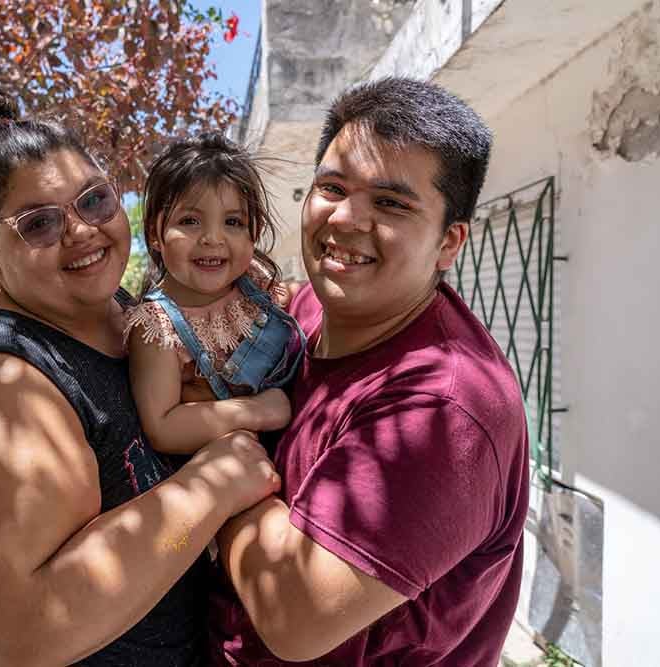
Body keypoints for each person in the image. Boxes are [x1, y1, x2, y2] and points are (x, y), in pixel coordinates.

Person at [0, 87, 283, 667]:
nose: (81, 231)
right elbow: (23, 632)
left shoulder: (119, 312)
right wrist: (217, 482)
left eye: (95, 201)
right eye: (39, 224)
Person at [209, 77, 531, 665]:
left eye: (391, 203)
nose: (346, 219)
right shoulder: (307, 309)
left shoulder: (443, 405)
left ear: (448, 243)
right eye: (331, 187)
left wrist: (219, 468)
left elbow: (296, 617)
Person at [125, 133, 303, 457]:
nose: (212, 238)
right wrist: (258, 410)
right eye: (190, 220)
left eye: (233, 222)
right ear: (155, 234)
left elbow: (289, 301)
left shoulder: (253, 281)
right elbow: (164, 426)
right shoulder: (157, 328)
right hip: (226, 467)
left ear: (255, 233)